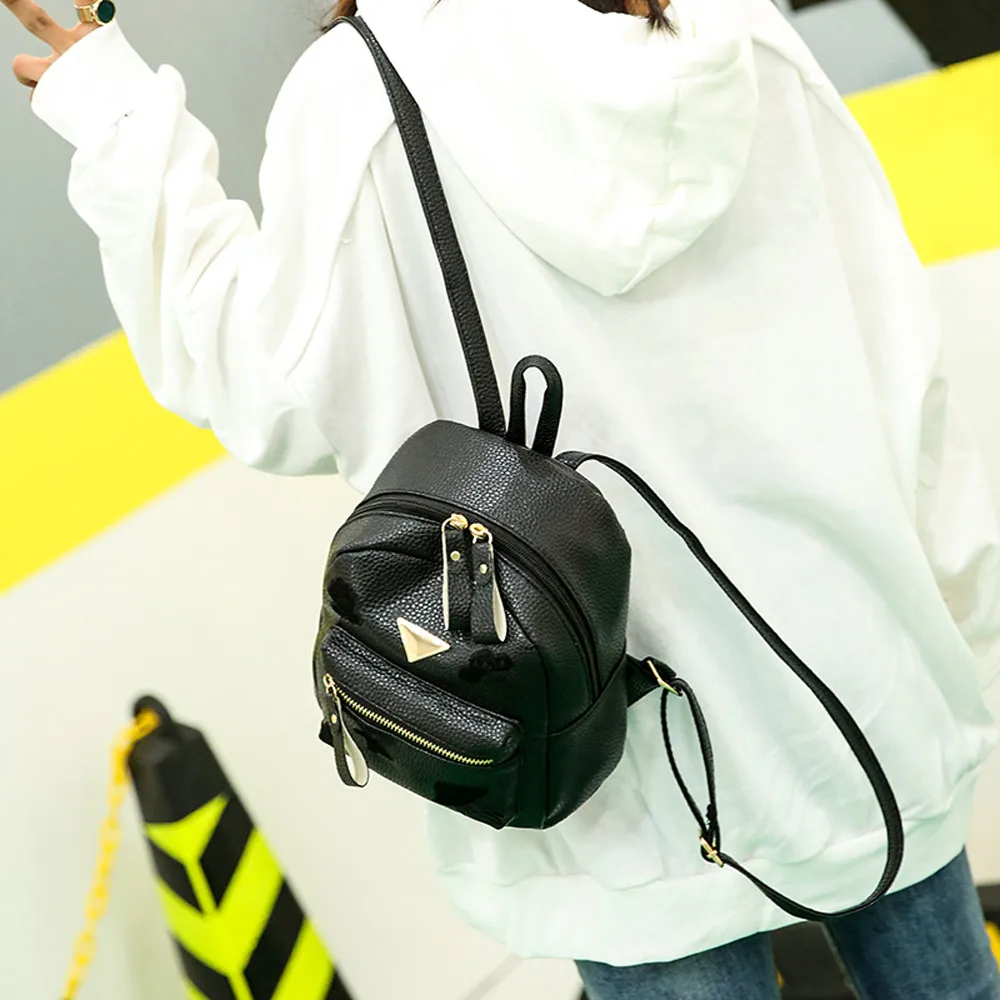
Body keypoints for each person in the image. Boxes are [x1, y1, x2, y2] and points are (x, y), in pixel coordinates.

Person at [9, 0, 1000, 995]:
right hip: (860, 689)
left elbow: (265, 391)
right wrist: (956, 611)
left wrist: (121, 120)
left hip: (606, 758)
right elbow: (895, 352)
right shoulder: (730, 28)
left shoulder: (362, 95)